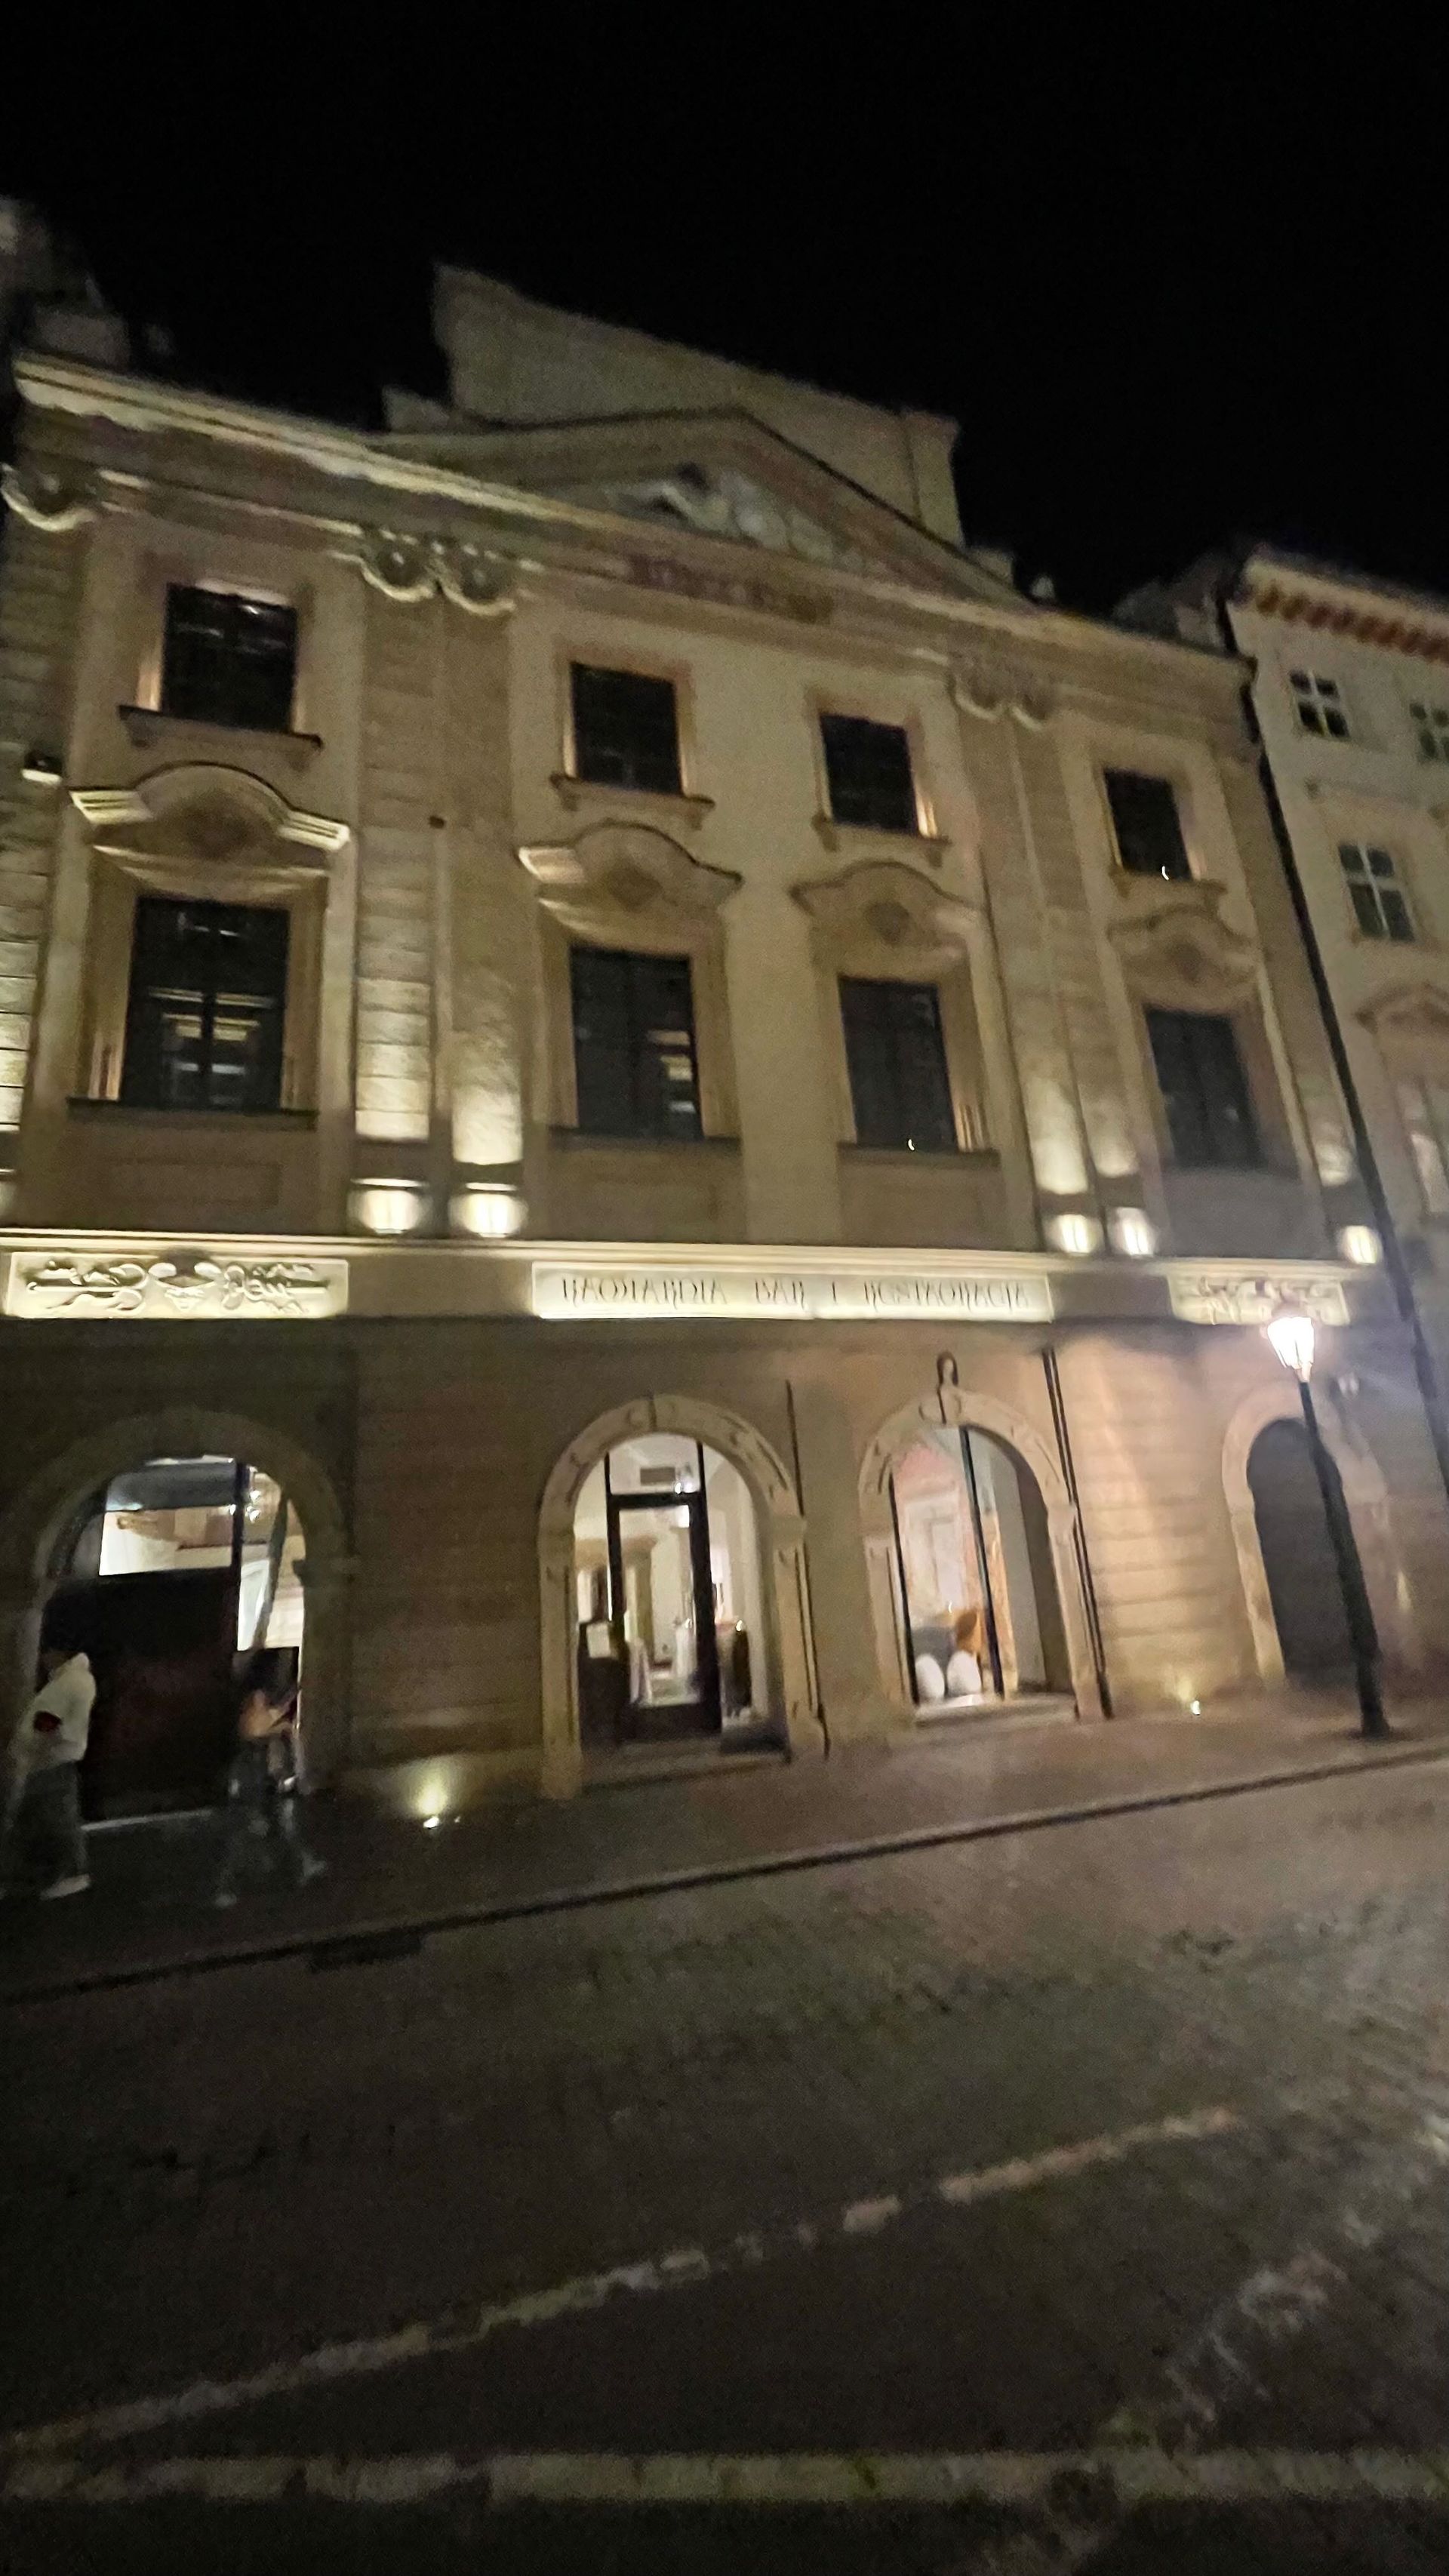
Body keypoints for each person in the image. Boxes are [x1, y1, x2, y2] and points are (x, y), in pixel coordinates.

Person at [214, 1649, 325, 1909]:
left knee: (279, 1822)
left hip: (261, 1773)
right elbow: (252, 1730)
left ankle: (301, 1865)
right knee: (243, 1830)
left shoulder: (260, 1698)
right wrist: (282, 1725)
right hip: (250, 1773)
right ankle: (225, 1886)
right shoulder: (256, 1697)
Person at [1, 1636, 97, 1900]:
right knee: (56, 1818)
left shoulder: (67, 1682)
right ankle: (67, 1873)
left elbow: (46, 1720)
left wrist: (22, 1746)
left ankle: (62, 1874)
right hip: (59, 1757)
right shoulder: (80, 1679)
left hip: (47, 1758)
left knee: (27, 1816)